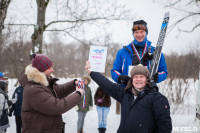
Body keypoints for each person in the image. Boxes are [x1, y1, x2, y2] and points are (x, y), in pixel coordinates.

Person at [85, 61, 172, 133]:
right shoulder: (125, 94)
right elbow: (107, 85)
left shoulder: (157, 98)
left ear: (147, 79)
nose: (138, 79)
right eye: (136, 77)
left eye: (141, 77)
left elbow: (165, 126)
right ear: (132, 79)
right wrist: (92, 72)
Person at [18, 54, 84, 133]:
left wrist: (74, 84)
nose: (52, 70)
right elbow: (57, 107)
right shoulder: (33, 90)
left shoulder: (43, 83)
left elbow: (60, 90)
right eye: (49, 68)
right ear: (40, 71)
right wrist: (78, 94)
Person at [111, 20, 168, 86]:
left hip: (148, 91)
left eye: (142, 32)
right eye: (136, 32)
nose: (139, 35)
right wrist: (119, 78)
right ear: (133, 34)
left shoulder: (156, 52)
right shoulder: (122, 52)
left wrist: (157, 77)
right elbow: (115, 71)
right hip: (127, 90)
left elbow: (163, 72)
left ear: (146, 33)